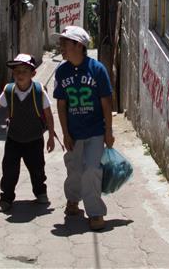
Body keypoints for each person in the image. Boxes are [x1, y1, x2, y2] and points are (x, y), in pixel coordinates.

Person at [0, 53, 59, 212]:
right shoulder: (9, 90)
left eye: (24, 71)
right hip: (14, 138)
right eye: (17, 71)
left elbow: (48, 115)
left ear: (33, 74)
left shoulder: (39, 91)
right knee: (9, 169)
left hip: (34, 138)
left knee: (37, 168)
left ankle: (41, 192)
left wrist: (51, 138)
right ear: (13, 73)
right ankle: (6, 198)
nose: (20, 74)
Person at [52, 25, 114, 231]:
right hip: (74, 133)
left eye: (65, 43)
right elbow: (61, 105)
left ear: (78, 45)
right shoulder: (61, 71)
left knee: (91, 170)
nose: (61, 47)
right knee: (74, 169)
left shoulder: (97, 69)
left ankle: (95, 212)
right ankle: (72, 201)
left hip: (95, 131)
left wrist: (108, 131)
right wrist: (65, 133)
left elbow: (106, 102)